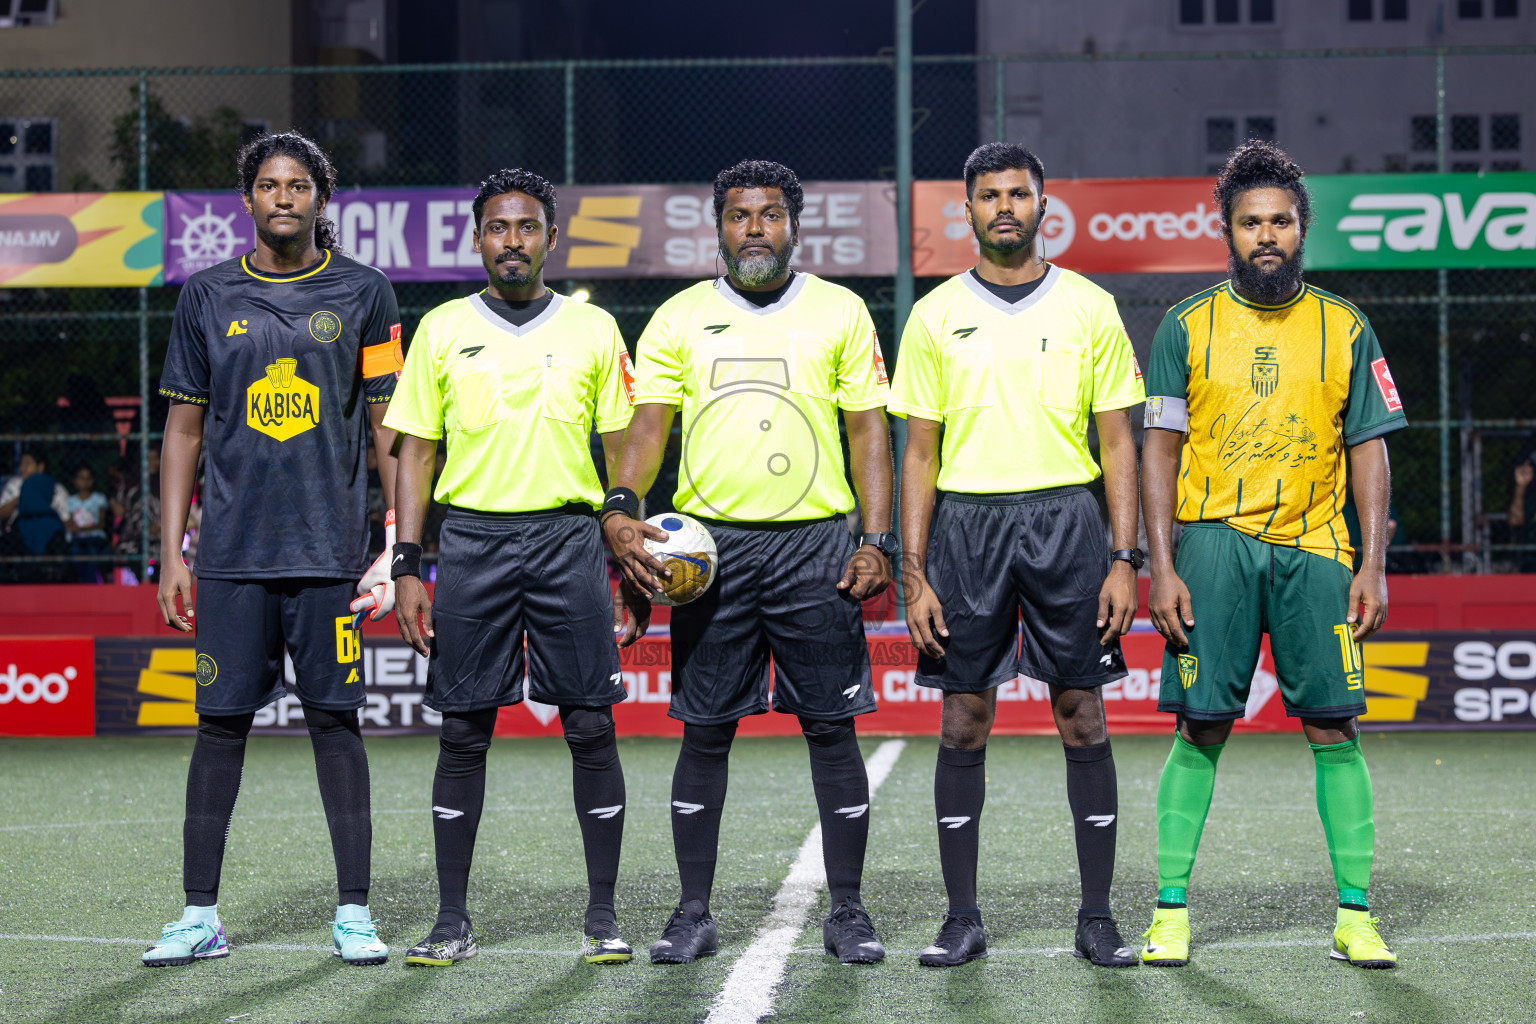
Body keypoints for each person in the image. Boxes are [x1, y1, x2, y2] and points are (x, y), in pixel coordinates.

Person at [603, 159, 896, 966]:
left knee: (830, 730)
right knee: (704, 733)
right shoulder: (677, 318)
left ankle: (848, 913)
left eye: (770, 215)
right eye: (740, 216)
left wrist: (878, 539)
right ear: (720, 227)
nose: (755, 229)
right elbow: (647, 428)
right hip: (711, 553)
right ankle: (692, 912)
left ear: (794, 224)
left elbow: (869, 431)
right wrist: (620, 508)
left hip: (815, 547)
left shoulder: (840, 311)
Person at [1138, 140, 1405, 970]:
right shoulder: (1185, 325)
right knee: (1201, 726)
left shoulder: (1347, 327)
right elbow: (1158, 450)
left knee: (1334, 727)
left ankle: (1355, 914)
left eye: (1280, 221)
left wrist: (1372, 562)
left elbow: (1369, 448)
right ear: (1226, 230)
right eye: (1250, 221)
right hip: (1213, 545)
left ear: (1302, 229)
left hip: (1318, 549)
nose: (1266, 235)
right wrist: (1162, 562)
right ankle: (1171, 910)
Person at [142, 132, 404, 969]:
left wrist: (395, 546)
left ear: (321, 198)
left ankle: (354, 913)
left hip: (330, 555)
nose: (283, 197)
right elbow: (181, 432)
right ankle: (198, 915)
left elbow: (389, 429)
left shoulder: (367, 294)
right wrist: (172, 552)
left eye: (298, 185)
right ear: (246, 200)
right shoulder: (205, 295)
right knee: (219, 729)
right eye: (268, 184)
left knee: (337, 725)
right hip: (229, 558)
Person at [888, 142, 1145, 969]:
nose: (1005, 207)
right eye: (989, 195)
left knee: (1083, 713)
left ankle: (1097, 917)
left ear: (1044, 207)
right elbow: (917, 453)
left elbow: (1118, 442)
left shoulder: (1089, 306)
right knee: (963, 717)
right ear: (967, 210)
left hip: (1069, 522)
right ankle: (962, 917)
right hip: (967, 527)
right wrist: (914, 571)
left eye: (1019, 194)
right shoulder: (933, 314)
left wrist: (1123, 557)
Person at [385, 168, 637, 968]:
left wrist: (625, 552)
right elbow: (416, 452)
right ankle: (451, 918)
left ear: (551, 239)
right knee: (463, 732)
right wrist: (406, 563)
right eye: (498, 227)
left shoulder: (594, 332)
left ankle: (601, 916)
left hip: (569, 541)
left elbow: (620, 444)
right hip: (472, 545)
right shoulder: (440, 328)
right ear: (478, 238)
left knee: (590, 726)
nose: (513, 241)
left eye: (528, 227)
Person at [0, 449, 69, 582]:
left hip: (50, 541)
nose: (22, 468)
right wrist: (22, 498)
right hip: (17, 538)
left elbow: (66, 520)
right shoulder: (14, 486)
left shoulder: (57, 489)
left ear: (40, 467)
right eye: (21, 464)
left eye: (27, 463)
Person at [65, 464, 114, 583]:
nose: (84, 482)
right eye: (81, 478)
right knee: (76, 552)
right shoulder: (70, 501)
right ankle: (82, 583)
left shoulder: (99, 498)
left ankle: (88, 584)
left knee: (92, 552)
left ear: (92, 481)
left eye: (88, 478)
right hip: (77, 539)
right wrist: (80, 529)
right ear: (75, 481)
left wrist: (80, 529)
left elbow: (101, 523)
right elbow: (70, 524)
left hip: (96, 538)